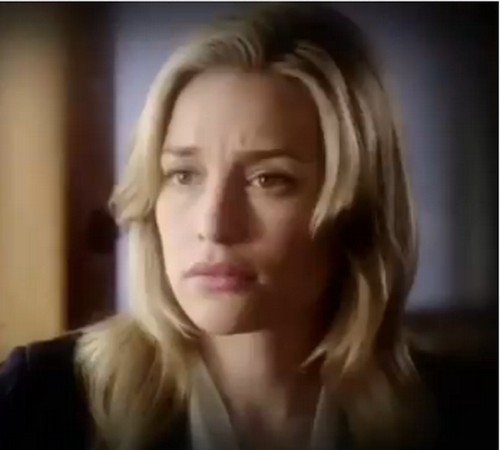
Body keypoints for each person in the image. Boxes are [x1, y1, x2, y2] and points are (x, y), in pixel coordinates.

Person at [0, 4, 473, 450]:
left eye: (270, 179)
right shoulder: (41, 400)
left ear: (358, 208)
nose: (214, 225)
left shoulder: (465, 410)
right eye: (183, 175)